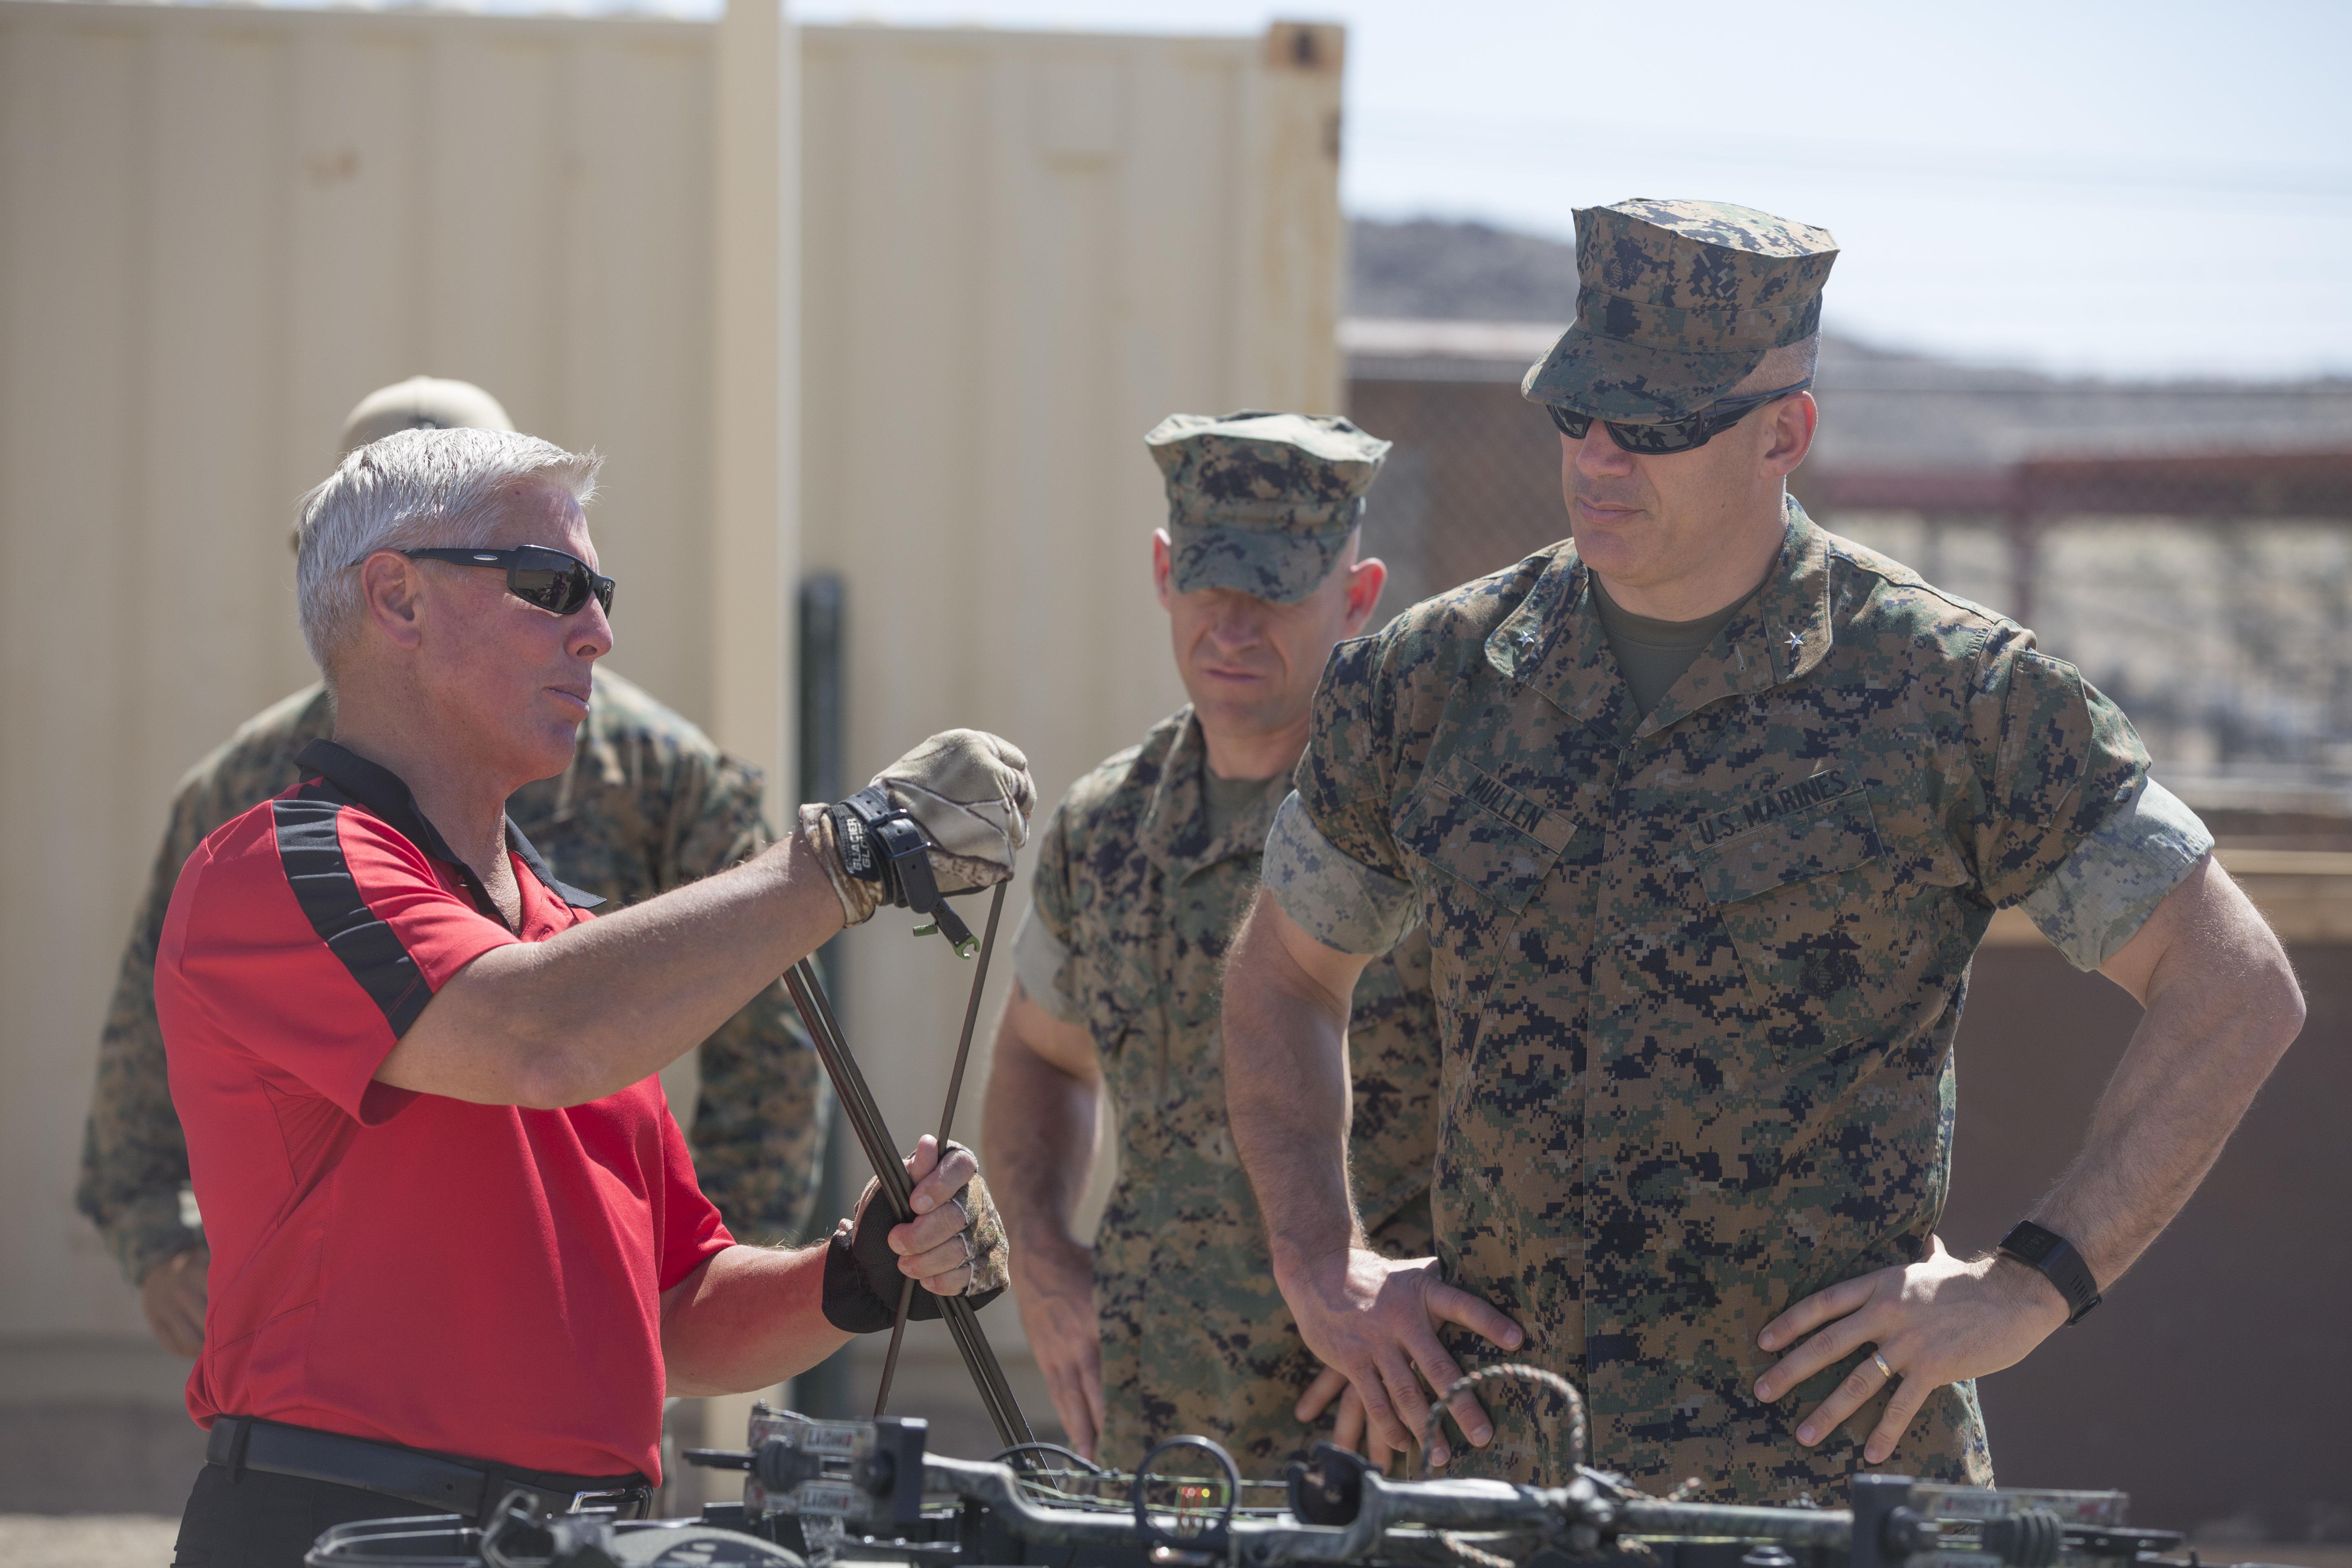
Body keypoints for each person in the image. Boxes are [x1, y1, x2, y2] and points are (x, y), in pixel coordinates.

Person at [1220, 199, 2305, 1501]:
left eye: (1659, 427)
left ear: (1785, 431)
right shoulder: (1432, 682)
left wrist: (2030, 1284)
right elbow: (1283, 975)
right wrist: (1320, 1260)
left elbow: (2234, 989)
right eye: (1578, 415)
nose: (1600, 460)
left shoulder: (1956, 696)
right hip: (1508, 1485)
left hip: (1819, 1491)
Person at [158, 426, 1030, 1567]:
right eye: (551, 586)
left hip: (585, 1537)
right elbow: (536, 1040)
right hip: (346, 1528)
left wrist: (858, 1276)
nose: (599, 631)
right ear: (397, 599)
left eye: (599, 593)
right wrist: (840, 857)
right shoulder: (280, 868)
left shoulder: (569, 944)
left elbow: (674, 1313)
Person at [76, 377, 829, 1361]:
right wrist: (163, 1243)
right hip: (353, 1388)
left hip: (590, 1363)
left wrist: (688, 1286)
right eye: (544, 583)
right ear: (374, 585)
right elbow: (145, 1047)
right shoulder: (249, 805)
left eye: (575, 585)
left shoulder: (659, 769)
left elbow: (767, 1041)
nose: (589, 630)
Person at [982, 412, 1441, 1472]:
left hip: (1380, 1436)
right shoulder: (1108, 825)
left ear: (1358, 596)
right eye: (1207, 583)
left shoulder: (1416, 824)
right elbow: (1042, 1057)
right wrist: (1044, 1260)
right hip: (1160, 1436)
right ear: (1161, 572)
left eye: (1275, 590)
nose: (1232, 626)